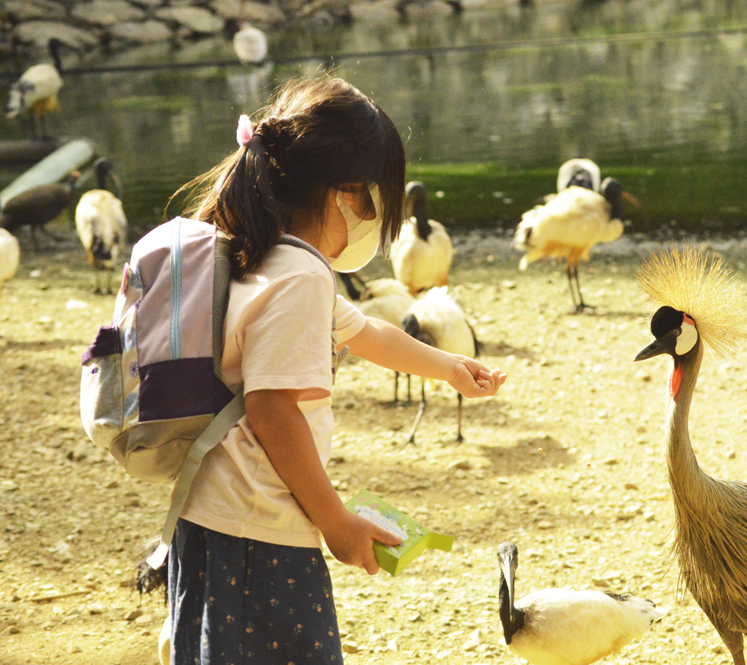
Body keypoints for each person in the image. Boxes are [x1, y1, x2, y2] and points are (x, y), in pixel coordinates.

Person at [162, 75, 506, 664]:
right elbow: (273, 411)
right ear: (345, 192)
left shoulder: (262, 251)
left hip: (213, 519)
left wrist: (448, 367)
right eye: (375, 199)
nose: (376, 217)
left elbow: (366, 332)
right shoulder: (300, 278)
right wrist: (336, 522)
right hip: (260, 531)